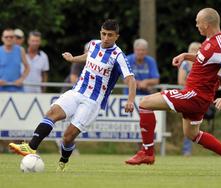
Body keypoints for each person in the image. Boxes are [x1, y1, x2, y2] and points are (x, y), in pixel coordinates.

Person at [125, 8, 221, 176]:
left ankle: (147, 153)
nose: (196, 25)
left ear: (207, 23)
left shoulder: (220, 44)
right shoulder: (210, 41)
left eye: (198, 22)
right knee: (192, 134)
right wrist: (185, 56)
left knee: (145, 103)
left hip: (195, 95)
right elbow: (204, 60)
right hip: (198, 97)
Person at [9, 19, 136, 171]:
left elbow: (131, 79)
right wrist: (72, 59)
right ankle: (30, 147)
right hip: (77, 92)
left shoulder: (118, 56)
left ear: (117, 37)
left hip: (92, 101)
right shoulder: (94, 44)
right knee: (51, 113)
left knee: (67, 137)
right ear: (100, 33)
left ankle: (63, 160)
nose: (106, 38)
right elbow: (88, 56)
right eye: (103, 34)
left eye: (110, 35)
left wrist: (130, 100)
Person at [178, 42, 201, 156]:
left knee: (195, 124)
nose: (195, 52)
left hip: (200, 97)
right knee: (189, 123)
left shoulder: (204, 63)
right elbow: (181, 81)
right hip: (187, 96)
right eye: (193, 49)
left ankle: (201, 148)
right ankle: (187, 150)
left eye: (197, 49)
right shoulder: (185, 64)